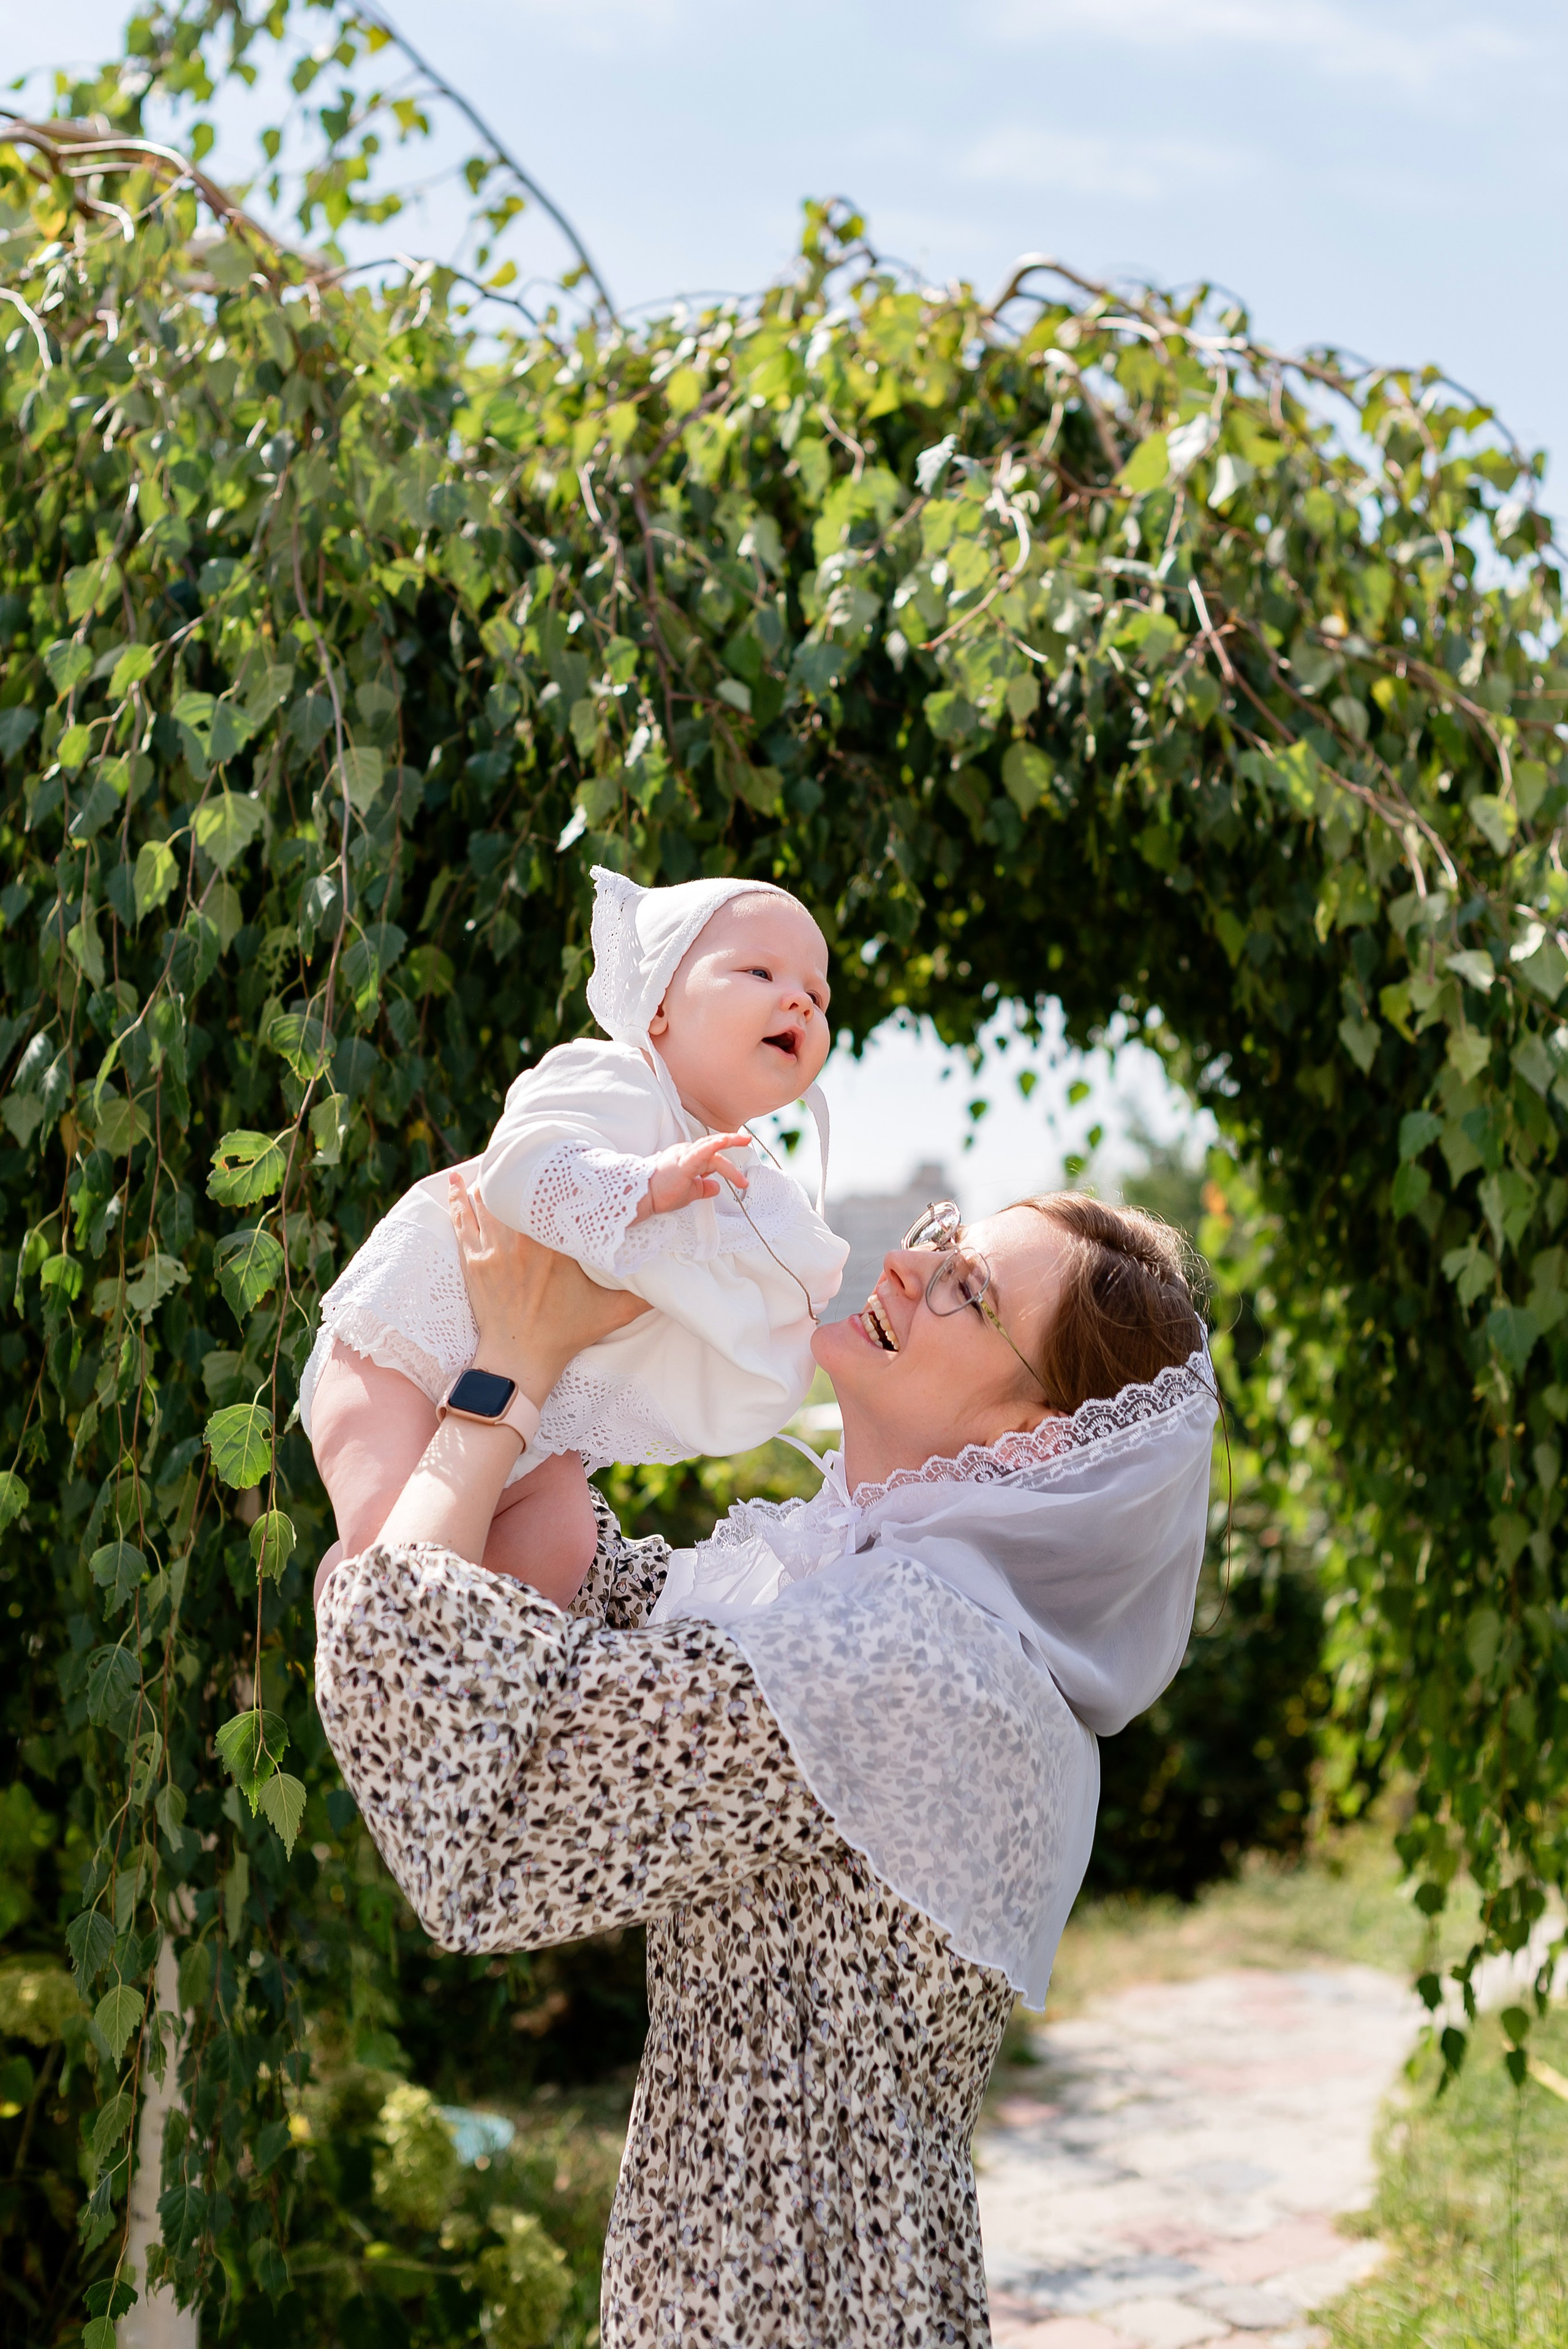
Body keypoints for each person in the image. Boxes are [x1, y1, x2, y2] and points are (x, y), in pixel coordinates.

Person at [313, 1180, 1218, 2348]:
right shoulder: (879, 1612)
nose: (908, 1264)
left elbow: (489, 1803)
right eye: (941, 1238)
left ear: (1031, 1436)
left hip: (775, 2303)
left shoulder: (910, 1658)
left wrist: (508, 1373)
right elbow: (575, 1609)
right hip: (814, 2289)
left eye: (967, 1287)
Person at [300, 865, 848, 1604]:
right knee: (389, 1561)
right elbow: (523, 1166)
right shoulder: (615, 1077)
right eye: (760, 971)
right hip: (405, 1343)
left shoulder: (737, 1174)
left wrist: (794, 1290)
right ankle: (358, 1595)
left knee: (563, 1539)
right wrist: (644, 1187)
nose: (800, 1001)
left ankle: (482, 1676)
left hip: (534, 1416)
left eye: (817, 996)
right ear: (657, 1008)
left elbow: (736, 1290)